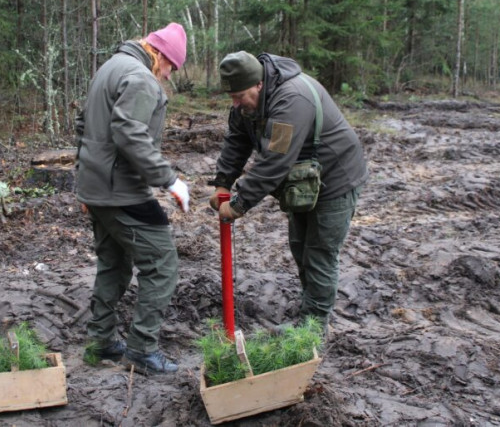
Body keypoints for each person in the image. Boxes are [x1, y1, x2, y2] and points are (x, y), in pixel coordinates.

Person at [209, 51, 368, 333]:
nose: (235, 103)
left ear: (259, 84)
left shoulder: (291, 99)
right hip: (304, 181)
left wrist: (239, 203)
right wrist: (223, 181)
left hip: (337, 177)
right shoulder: (246, 104)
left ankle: (313, 330)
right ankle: (310, 309)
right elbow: (237, 141)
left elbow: (275, 159)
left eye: (240, 95)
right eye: (231, 96)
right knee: (300, 247)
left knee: (319, 253)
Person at [76, 22, 190, 374]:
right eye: (171, 67)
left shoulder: (109, 67)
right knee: (162, 264)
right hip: (122, 191)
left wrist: (83, 183)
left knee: (114, 263)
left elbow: (83, 126)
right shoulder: (140, 78)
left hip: (98, 188)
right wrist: (169, 179)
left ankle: (101, 342)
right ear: (159, 55)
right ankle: (141, 349)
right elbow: (130, 133)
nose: (168, 76)